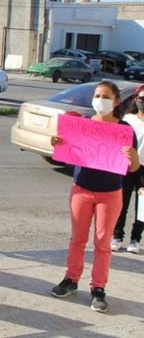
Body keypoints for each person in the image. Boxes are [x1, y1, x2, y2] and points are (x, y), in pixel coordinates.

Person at [50, 81, 140, 313]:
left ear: (117, 101)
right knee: (77, 240)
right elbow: (65, 157)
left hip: (110, 193)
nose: (100, 100)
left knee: (102, 243)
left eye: (106, 96)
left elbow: (133, 169)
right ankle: (71, 279)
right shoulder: (83, 125)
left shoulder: (125, 131)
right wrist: (57, 144)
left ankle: (98, 288)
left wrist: (132, 158)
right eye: (98, 95)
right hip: (81, 189)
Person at [112, 84, 144, 254]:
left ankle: (135, 239)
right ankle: (117, 236)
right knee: (121, 203)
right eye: (142, 99)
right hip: (126, 166)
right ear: (136, 100)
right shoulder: (129, 120)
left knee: (143, 207)